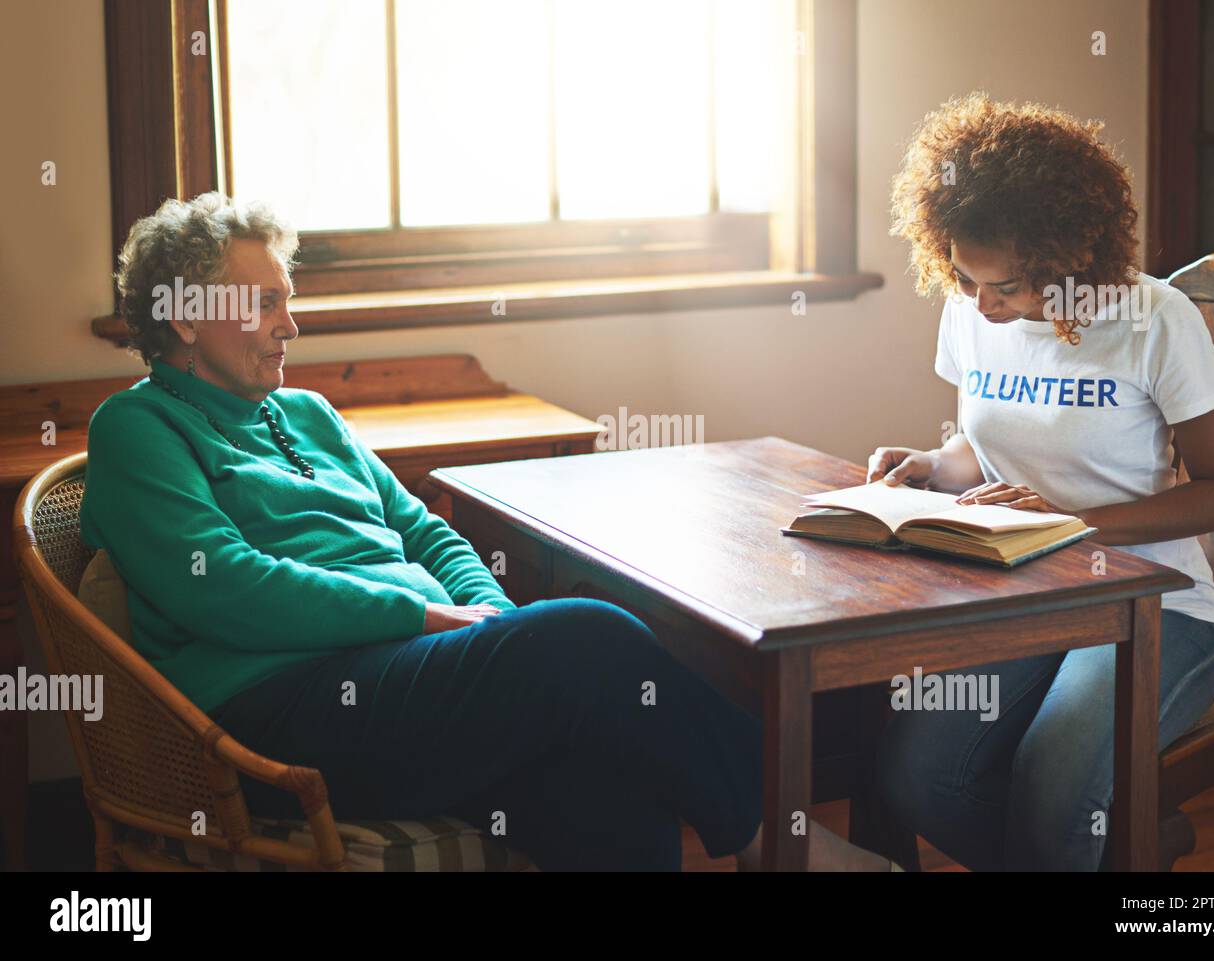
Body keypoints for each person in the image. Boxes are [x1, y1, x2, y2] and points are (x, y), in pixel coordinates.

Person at [81, 192, 897, 871]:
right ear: (184, 319)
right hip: (284, 715)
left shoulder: (307, 414)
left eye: (288, 298)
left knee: (602, 784)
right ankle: (781, 842)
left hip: (413, 680)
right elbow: (221, 583)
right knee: (589, 634)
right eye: (264, 303)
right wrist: (430, 618)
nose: (291, 325)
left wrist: (492, 619)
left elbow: (425, 531)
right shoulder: (137, 429)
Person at [871, 93, 1214, 870]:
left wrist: (1074, 521)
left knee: (1051, 783)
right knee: (915, 774)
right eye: (964, 277)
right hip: (1026, 594)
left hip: (1156, 605)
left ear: (1066, 255)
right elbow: (985, 451)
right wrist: (930, 468)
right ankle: (1122, 856)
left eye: (1003, 287)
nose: (980, 303)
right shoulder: (972, 307)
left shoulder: (1154, 318)